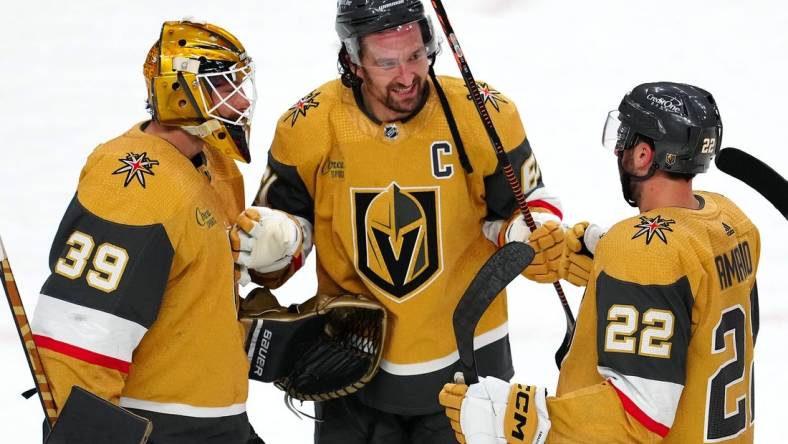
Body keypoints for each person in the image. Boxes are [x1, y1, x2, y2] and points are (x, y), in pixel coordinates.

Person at [229, 1, 565, 442]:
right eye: (386, 62)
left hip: (472, 369)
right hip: (349, 367)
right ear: (353, 61)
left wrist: (532, 232)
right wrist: (282, 240)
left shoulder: (482, 112)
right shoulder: (308, 124)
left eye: (415, 55)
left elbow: (525, 206)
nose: (407, 76)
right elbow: (270, 253)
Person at [439, 82, 761, 443]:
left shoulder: (642, 252)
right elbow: (699, 312)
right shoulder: (730, 222)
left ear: (642, 154)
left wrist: (520, 419)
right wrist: (605, 264)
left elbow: (636, 419)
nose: (618, 151)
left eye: (623, 138)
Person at [30, 19, 264, 443]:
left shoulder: (218, 166)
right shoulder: (135, 181)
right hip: (157, 429)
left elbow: (193, 298)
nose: (241, 99)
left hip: (221, 424)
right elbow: (81, 327)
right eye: (225, 86)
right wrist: (87, 433)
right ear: (181, 92)